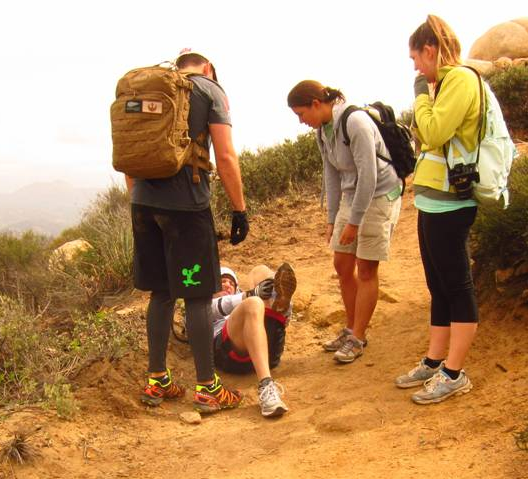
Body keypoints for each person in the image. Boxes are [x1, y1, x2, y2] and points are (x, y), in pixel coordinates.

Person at [127, 49, 250, 413]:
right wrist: (239, 209)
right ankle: (208, 387)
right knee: (197, 296)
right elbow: (225, 155)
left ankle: (157, 381)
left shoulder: (148, 91)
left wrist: (140, 199)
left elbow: (129, 153)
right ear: (208, 67)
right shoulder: (209, 90)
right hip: (186, 208)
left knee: (161, 292)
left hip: (143, 205)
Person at [395, 16, 481, 404]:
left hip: (452, 201)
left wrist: (420, 95)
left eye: (416, 58)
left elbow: (432, 132)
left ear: (429, 50)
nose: (415, 67)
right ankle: (434, 361)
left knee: (457, 285)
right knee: (437, 284)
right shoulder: (442, 85)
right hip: (432, 200)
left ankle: (454, 373)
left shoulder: (459, 80)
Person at [287, 80, 403, 364]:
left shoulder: (355, 122)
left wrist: (354, 222)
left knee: (366, 268)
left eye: (301, 114)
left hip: (380, 194)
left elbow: (369, 176)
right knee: (342, 264)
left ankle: (358, 337)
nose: (301, 121)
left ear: (316, 104)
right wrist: (332, 219)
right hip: (352, 196)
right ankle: (351, 328)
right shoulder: (322, 130)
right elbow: (332, 175)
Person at [211, 263, 297, 418]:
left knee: (260, 271)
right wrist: (248, 295)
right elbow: (212, 309)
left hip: (268, 352)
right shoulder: (200, 307)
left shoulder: (248, 300)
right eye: (222, 281)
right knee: (254, 302)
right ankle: (266, 385)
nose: (227, 284)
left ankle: (280, 304)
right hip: (228, 355)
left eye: (231, 283)